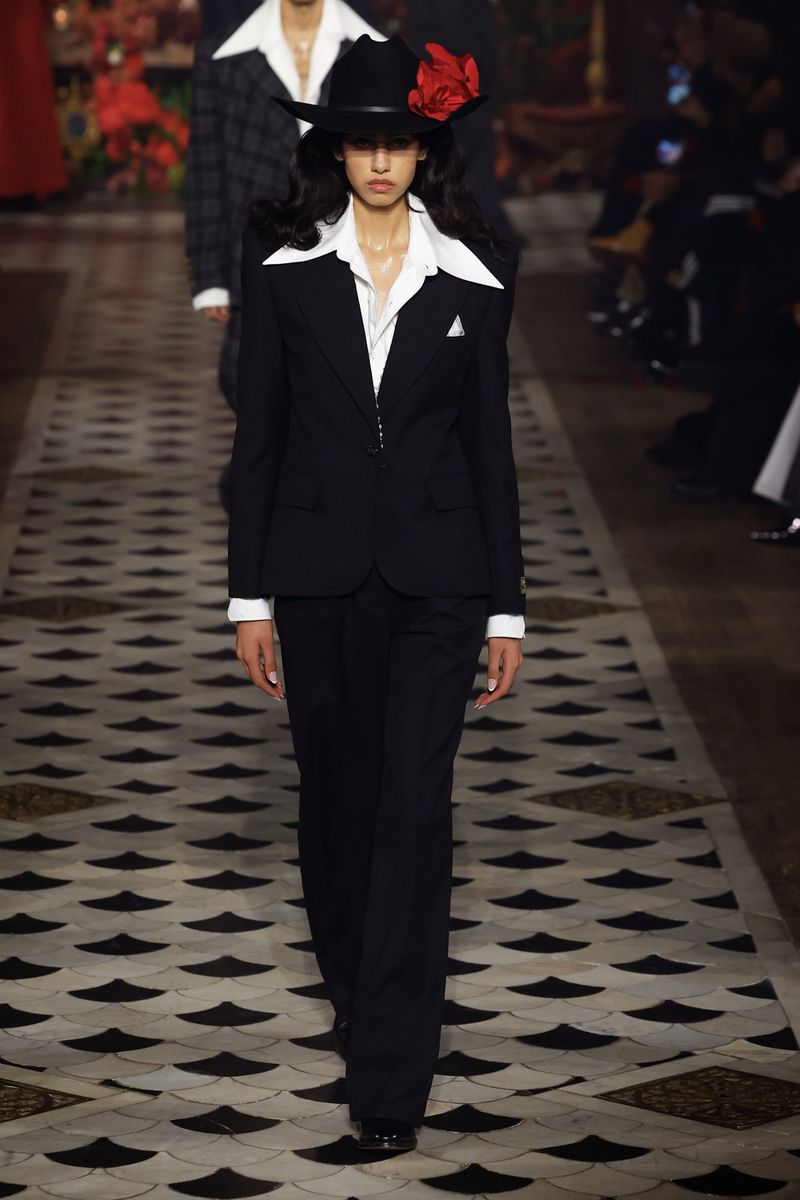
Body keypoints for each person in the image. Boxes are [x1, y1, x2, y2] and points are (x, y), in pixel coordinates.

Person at [226, 34, 526, 1151]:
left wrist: (506, 608)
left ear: (425, 150)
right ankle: (360, 994)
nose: (382, 162)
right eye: (363, 142)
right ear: (336, 151)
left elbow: (490, 450)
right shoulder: (285, 269)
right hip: (315, 580)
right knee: (337, 807)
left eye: (399, 141)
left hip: (439, 584)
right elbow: (259, 443)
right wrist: (247, 600)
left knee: (411, 810)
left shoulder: (475, 275)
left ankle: (391, 1080)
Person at [185, 0, 384, 508]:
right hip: (257, 247)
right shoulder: (222, 56)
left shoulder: (372, 50)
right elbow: (206, 165)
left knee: (339, 378)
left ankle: (305, 491)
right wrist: (209, 275)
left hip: (349, 244)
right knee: (243, 375)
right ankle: (264, 483)